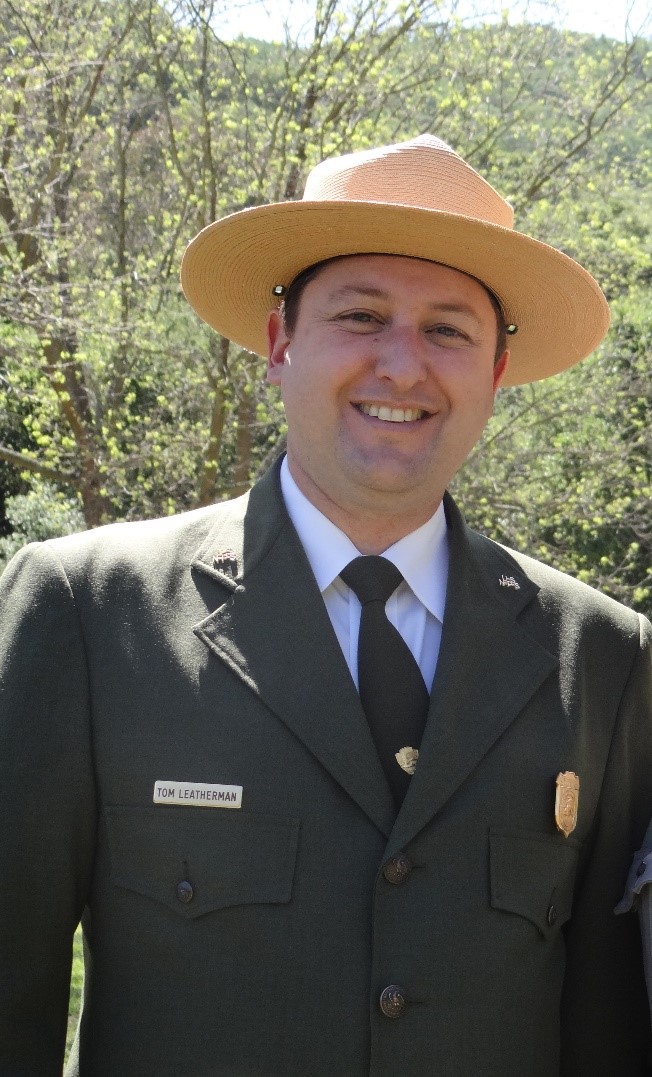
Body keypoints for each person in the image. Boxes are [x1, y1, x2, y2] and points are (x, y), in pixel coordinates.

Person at [0, 134, 650, 1076]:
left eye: (448, 329)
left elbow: (608, 1030)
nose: (402, 365)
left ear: (495, 375)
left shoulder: (600, 655)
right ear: (280, 343)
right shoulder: (89, 612)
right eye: (361, 314)